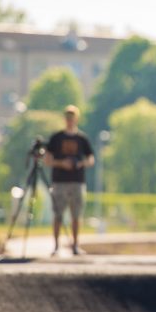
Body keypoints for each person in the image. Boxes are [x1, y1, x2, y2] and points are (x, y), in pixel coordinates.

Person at [44, 105, 95, 256]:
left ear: (76, 119)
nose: (69, 121)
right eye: (67, 118)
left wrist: (81, 163)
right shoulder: (56, 138)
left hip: (77, 181)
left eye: (72, 118)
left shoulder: (82, 139)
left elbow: (91, 158)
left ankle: (75, 245)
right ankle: (56, 246)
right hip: (59, 181)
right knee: (58, 214)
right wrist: (61, 163)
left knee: (76, 215)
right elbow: (47, 160)